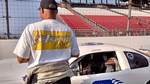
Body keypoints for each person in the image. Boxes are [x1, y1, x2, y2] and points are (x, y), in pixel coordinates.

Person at [13, 0, 80, 84]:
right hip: (64, 79)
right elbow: (76, 54)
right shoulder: (67, 30)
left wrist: (37, 54)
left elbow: (21, 59)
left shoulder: (31, 29)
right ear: (56, 12)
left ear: (42, 10)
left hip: (40, 79)